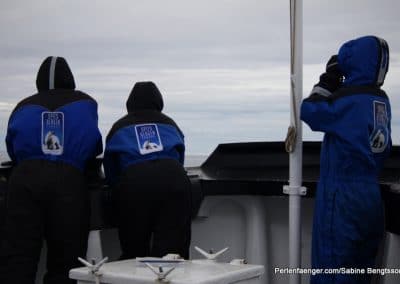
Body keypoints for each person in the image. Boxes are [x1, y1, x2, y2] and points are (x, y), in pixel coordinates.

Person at [0, 56, 103, 284]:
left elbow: (12, 146)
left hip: (25, 179)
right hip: (69, 181)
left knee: (18, 258)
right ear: (70, 79)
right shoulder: (86, 103)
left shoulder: (23, 105)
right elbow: (94, 146)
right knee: (65, 261)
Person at [301, 35, 390, 284]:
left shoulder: (348, 102)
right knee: (359, 269)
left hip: (343, 198)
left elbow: (309, 111)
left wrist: (327, 80)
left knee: (332, 269)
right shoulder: (381, 101)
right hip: (370, 196)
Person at [104, 81, 191, 259]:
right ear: (159, 102)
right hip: (173, 178)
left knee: (135, 250)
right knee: (172, 252)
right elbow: (179, 156)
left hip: (134, 183)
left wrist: (118, 190)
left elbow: (111, 169)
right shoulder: (170, 124)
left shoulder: (119, 127)